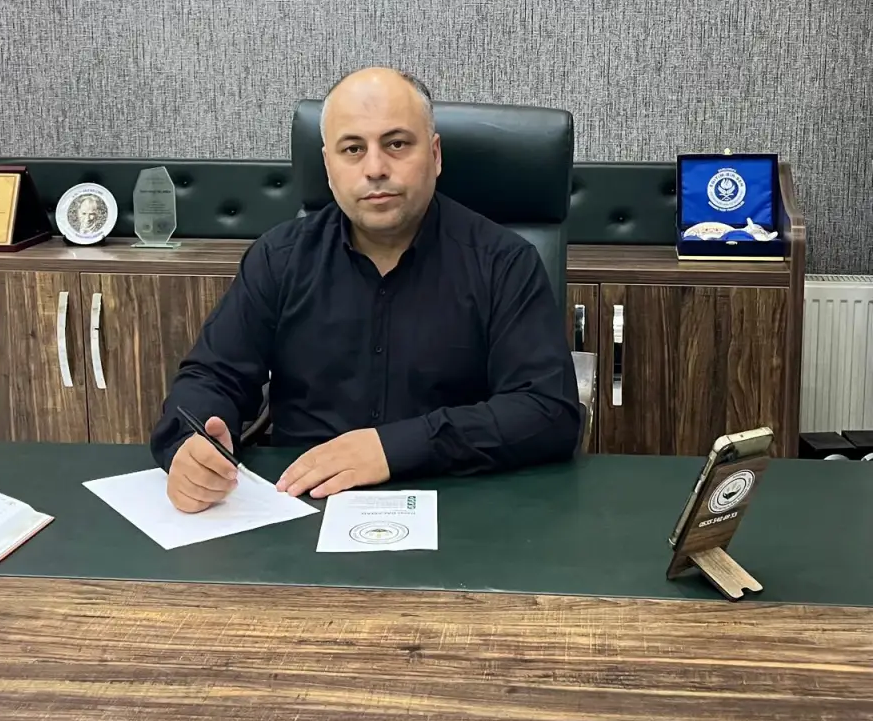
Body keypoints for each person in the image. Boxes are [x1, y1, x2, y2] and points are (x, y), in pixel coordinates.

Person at [150, 68, 580, 512]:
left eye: (397, 144)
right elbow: (212, 376)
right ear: (328, 168)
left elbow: (548, 411)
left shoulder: (503, 262)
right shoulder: (279, 258)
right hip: (300, 507)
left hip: (458, 505)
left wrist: (393, 447)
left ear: (434, 155)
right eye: (353, 149)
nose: (375, 169)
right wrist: (190, 444)